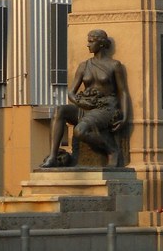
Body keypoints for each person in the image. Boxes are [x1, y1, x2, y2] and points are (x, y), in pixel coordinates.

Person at [40, 29, 129, 168]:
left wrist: (124, 116)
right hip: (85, 106)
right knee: (59, 110)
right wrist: (79, 102)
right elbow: (71, 92)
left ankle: (112, 150)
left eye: (91, 41)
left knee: (80, 131)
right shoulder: (84, 65)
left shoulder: (114, 65)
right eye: (88, 41)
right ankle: (52, 156)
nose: (88, 45)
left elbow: (122, 92)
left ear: (101, 44)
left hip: (105, 108)